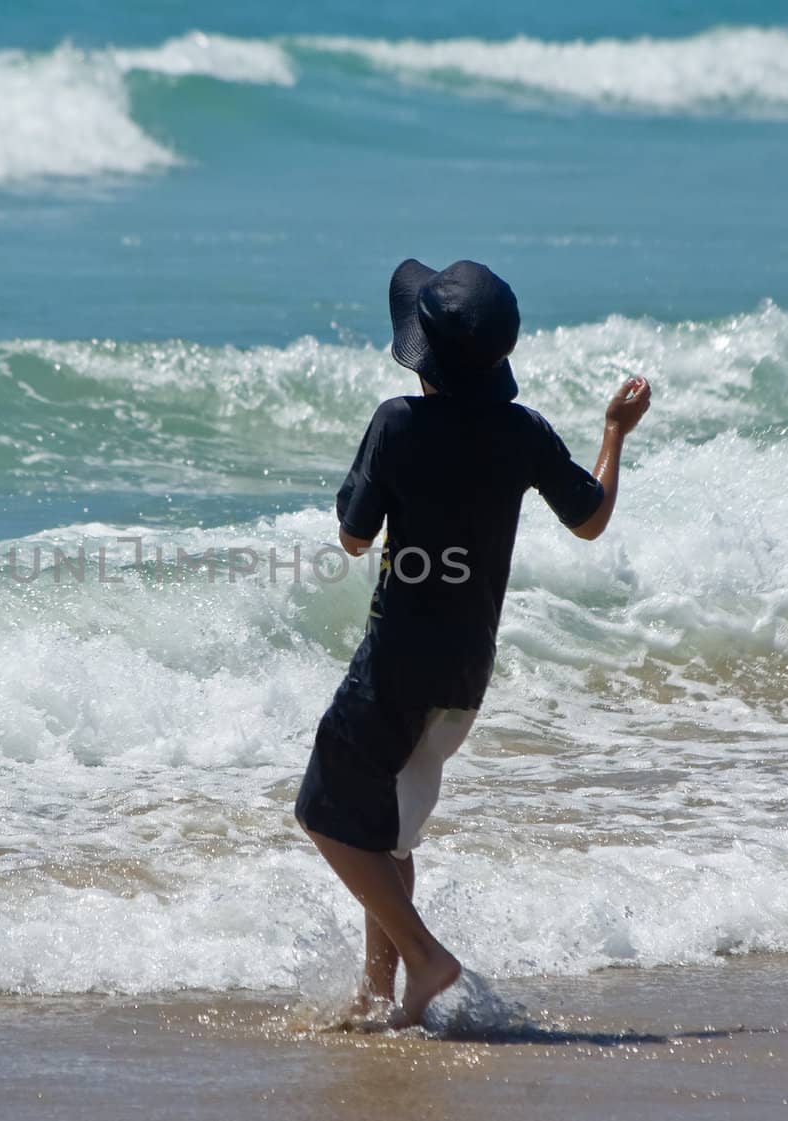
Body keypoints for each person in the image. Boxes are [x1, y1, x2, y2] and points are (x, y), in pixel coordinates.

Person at [294, 258, 652, 1029]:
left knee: (323, 810)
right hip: (465, 674)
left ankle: (426, 958)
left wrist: (360, 492)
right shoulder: (521, 431)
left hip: (397, 665)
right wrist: (613, 433)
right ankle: (378, 994)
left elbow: (354, 539)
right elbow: (590, 518)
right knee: (387, 831)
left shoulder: (397, 423)